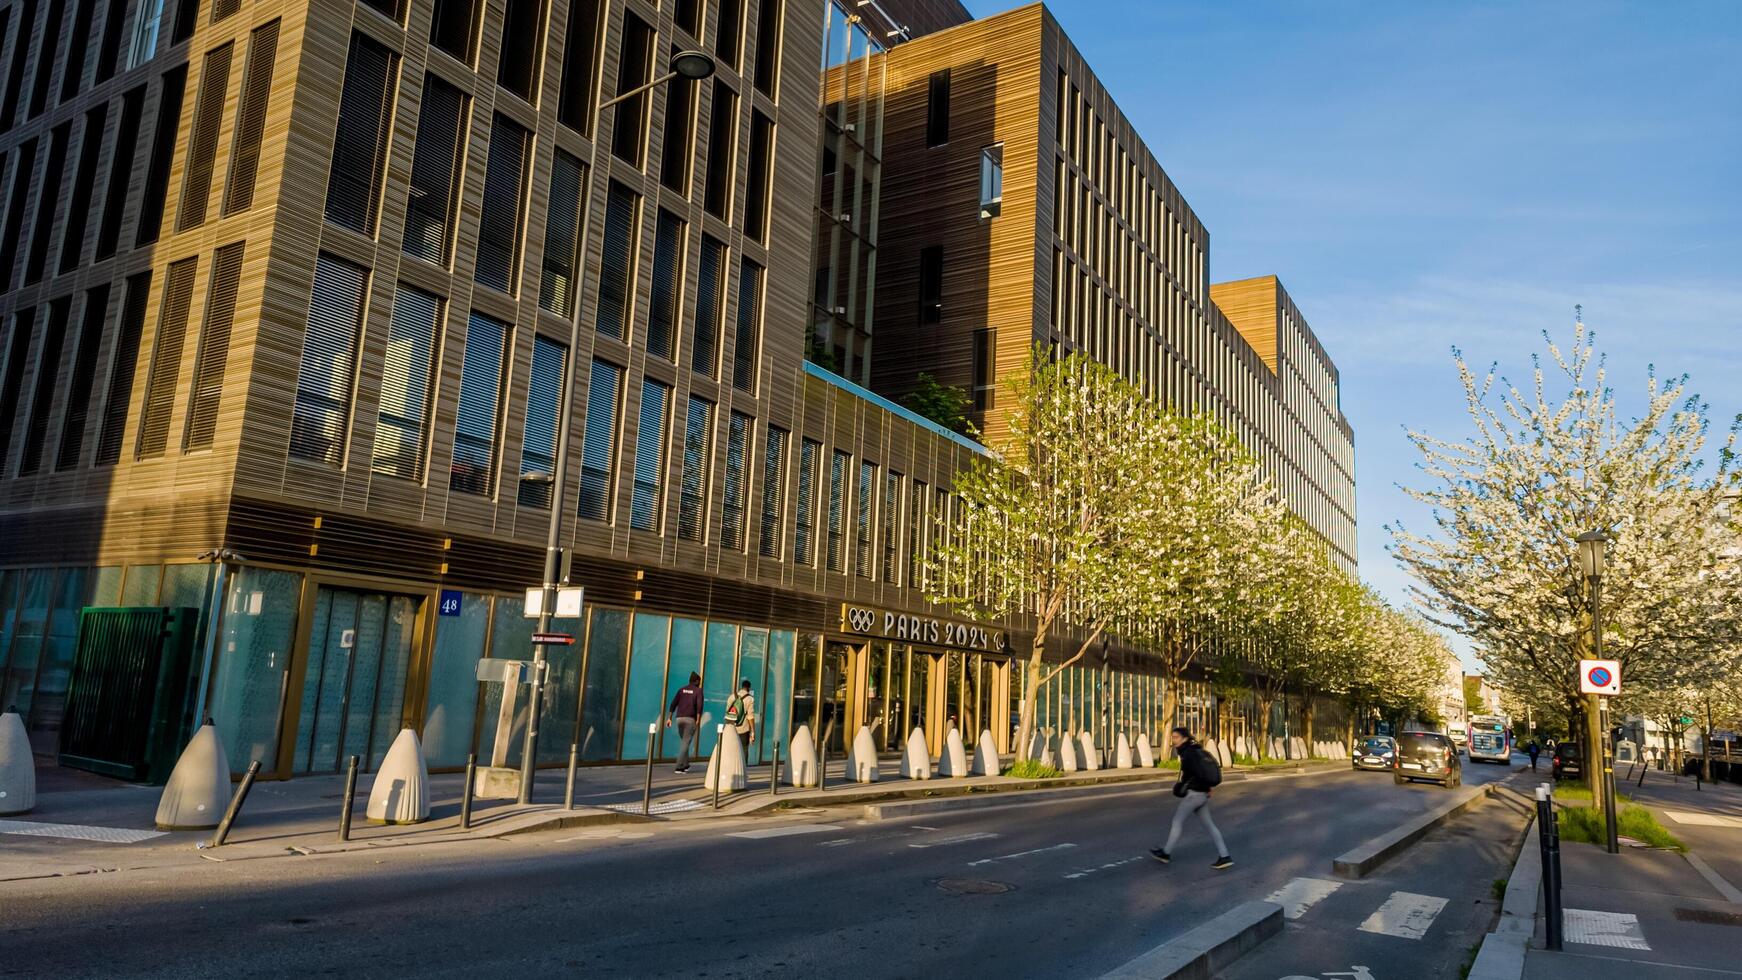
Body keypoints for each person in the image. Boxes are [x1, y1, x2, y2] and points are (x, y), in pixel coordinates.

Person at [1152, 727, 1231, 870]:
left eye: (1176, 737)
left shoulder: (1188, 754)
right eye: (1173, 737)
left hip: (1194, 795)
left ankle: (1166, 853)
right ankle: (1225, 856)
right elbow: (1202, 773)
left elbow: (1193, 775)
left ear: (1185, 738)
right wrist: (1207, 788)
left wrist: (1181, 787)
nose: (1173, 740)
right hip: (1202, 795)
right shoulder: (1196, 751)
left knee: (1177, 821)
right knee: (1210, 825)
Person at [665, 672, 704, 773]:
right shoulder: (698, 691)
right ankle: (679, 766)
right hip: (690, 719)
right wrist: (699, 719)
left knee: (684, 742)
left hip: (679, 719)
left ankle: (685, 765)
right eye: (699, 681)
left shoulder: (681, 690)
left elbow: (673, 704)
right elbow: (699, 706)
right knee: (685, 742)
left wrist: (669, 718)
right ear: (697, 681)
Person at [725, 680, 757, 747]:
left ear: (741, 687)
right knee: (743, 750)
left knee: (731, 748)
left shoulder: (732, 696)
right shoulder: (750, 699)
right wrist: (753, 731)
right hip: (743, 730)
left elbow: (727, 713)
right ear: (749, 688)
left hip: (731, 728)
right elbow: (750, 717)